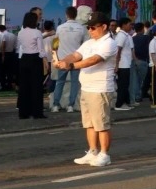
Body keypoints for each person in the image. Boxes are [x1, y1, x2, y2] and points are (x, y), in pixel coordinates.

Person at [53, 13, 116, 167]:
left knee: (101, 124)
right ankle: (92, 151)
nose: (90, 30)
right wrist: (63, 61)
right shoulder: (89, 43)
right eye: (88, 27)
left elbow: (93, 60)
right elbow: (76, 55)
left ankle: (104, 154)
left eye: (93, 27)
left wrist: (71, 66)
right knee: (89, 124)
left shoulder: (109, 43)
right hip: (87, 87)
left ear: (104, 26)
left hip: (100, 88)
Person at [15, 12, 46, 119]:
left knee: (24, 86)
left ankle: (24, 112)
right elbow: (41, 50)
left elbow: (19, 47)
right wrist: (45, 59)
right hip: (35, 59)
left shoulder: (20, 32)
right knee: (36, 86)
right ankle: (37, 112)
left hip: (24, 58)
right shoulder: (37, 32)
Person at [113, 18, 134, 111]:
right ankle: (119, 104)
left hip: (126, 64)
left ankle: (125, 102)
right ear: (123, 25)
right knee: (122, 85)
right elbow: (118, 50)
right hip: (122, 64)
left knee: (125, 85)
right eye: (129, 24)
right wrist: (116, 65)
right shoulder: (121, 36)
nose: (131, 26)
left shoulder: (126, 35)